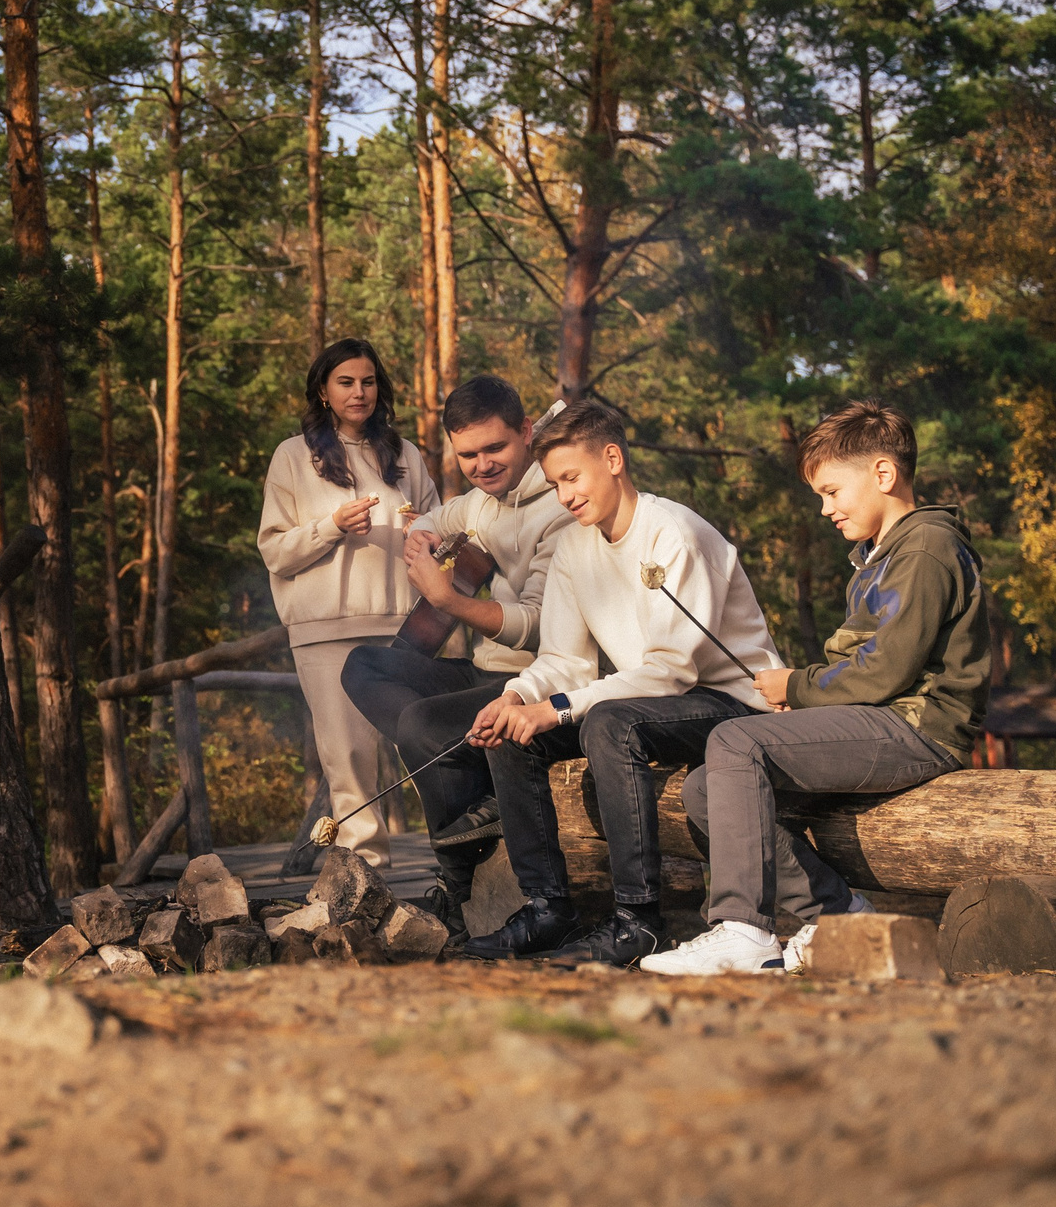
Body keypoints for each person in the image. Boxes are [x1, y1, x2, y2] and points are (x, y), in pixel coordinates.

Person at [640, 400, 990, 976]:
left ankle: (742, 929)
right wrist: (799, 697)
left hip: (916, 726)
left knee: (734, 742)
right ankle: (837, 916)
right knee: (707, 788)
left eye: (832, 492)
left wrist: (797, 688)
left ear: (883, 474)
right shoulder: (883, 556)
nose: (826, 509)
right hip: (883, 717)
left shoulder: (926, 547)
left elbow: (886, 669)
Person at [457, 398, 786, 967]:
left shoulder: (675, 534)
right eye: (555, 483)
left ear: (612, 459)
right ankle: (548, 908)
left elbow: (672, 669)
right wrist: (517, 698)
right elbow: (566, 659)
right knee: (515, 730)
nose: (564, 495)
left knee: (608, 723)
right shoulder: (574, 547)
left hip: (734, 705)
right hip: (654, 704)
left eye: (571, 478)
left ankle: (639, 920)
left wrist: (557, 709)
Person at [339, 377, 571, 922]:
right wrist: (421, 538)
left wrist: (448, 598)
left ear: (527, 432)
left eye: (496, 448)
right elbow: (432, 521)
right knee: (363, 665)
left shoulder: (562, 506)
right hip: (485, 671)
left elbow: (542, 628)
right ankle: (473, 793)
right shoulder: (480, 504)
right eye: (468, 454)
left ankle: (457, 881)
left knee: (422, 725)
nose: (482, 464)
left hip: (537, 683)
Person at [258, 338, 439, 866]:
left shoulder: (404, 455)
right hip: (326, 630)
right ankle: (366, 878)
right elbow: (274, 551)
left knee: (427, 746)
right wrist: (330, 527)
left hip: (407, 626)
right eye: (346, 382)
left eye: (368, 381)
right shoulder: (294, 455)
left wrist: (427, 534)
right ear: (323, 390)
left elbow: (437, 525)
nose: (359, 392)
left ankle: (456, 866)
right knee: (350, 760)